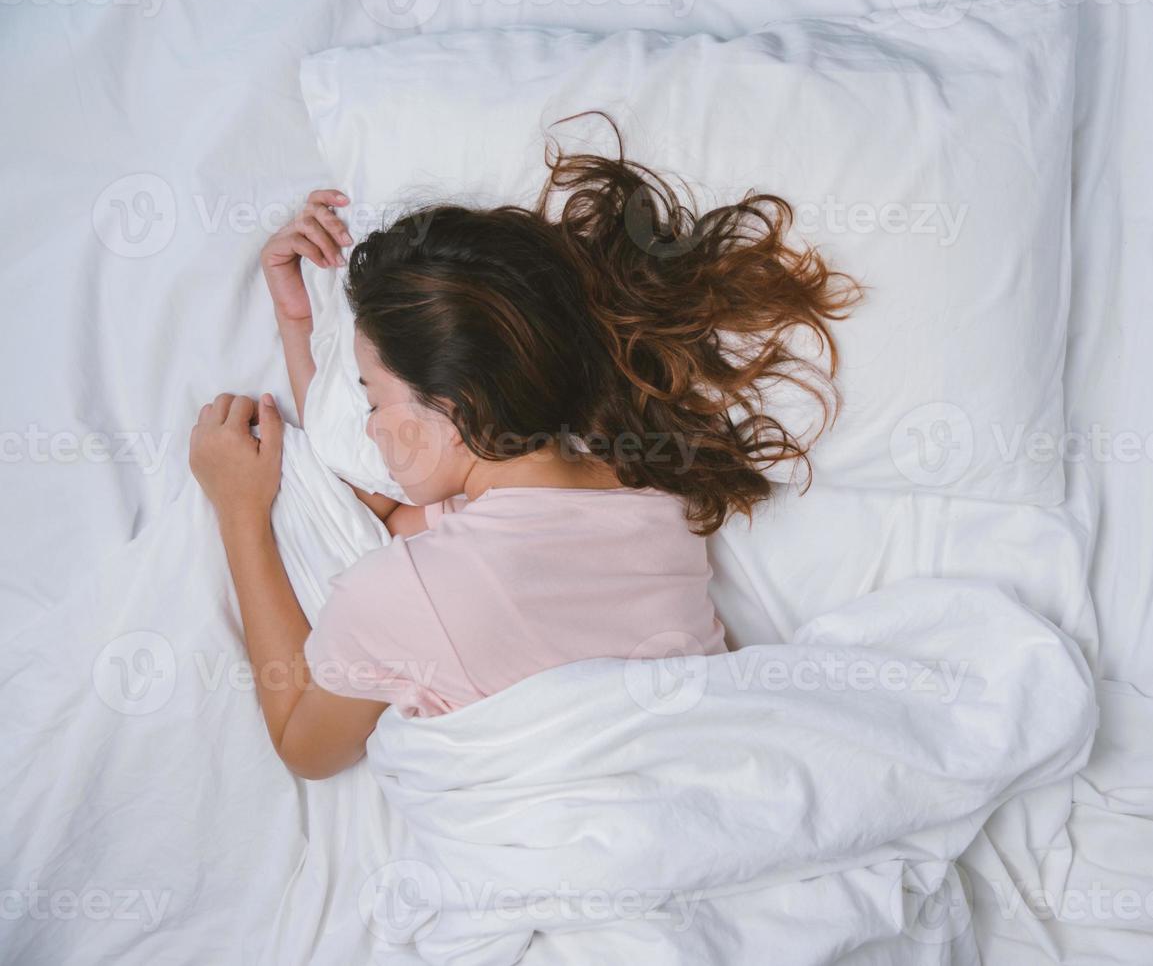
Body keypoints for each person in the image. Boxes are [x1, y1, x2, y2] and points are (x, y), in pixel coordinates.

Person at [188, 122, 859, 779]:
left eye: (371, 401)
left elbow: (305, 747)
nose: (368, 429)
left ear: (453, 410)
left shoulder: (394, 597)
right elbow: (409, 515)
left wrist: (239, 512)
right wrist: (298, 321)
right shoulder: (647, 486)